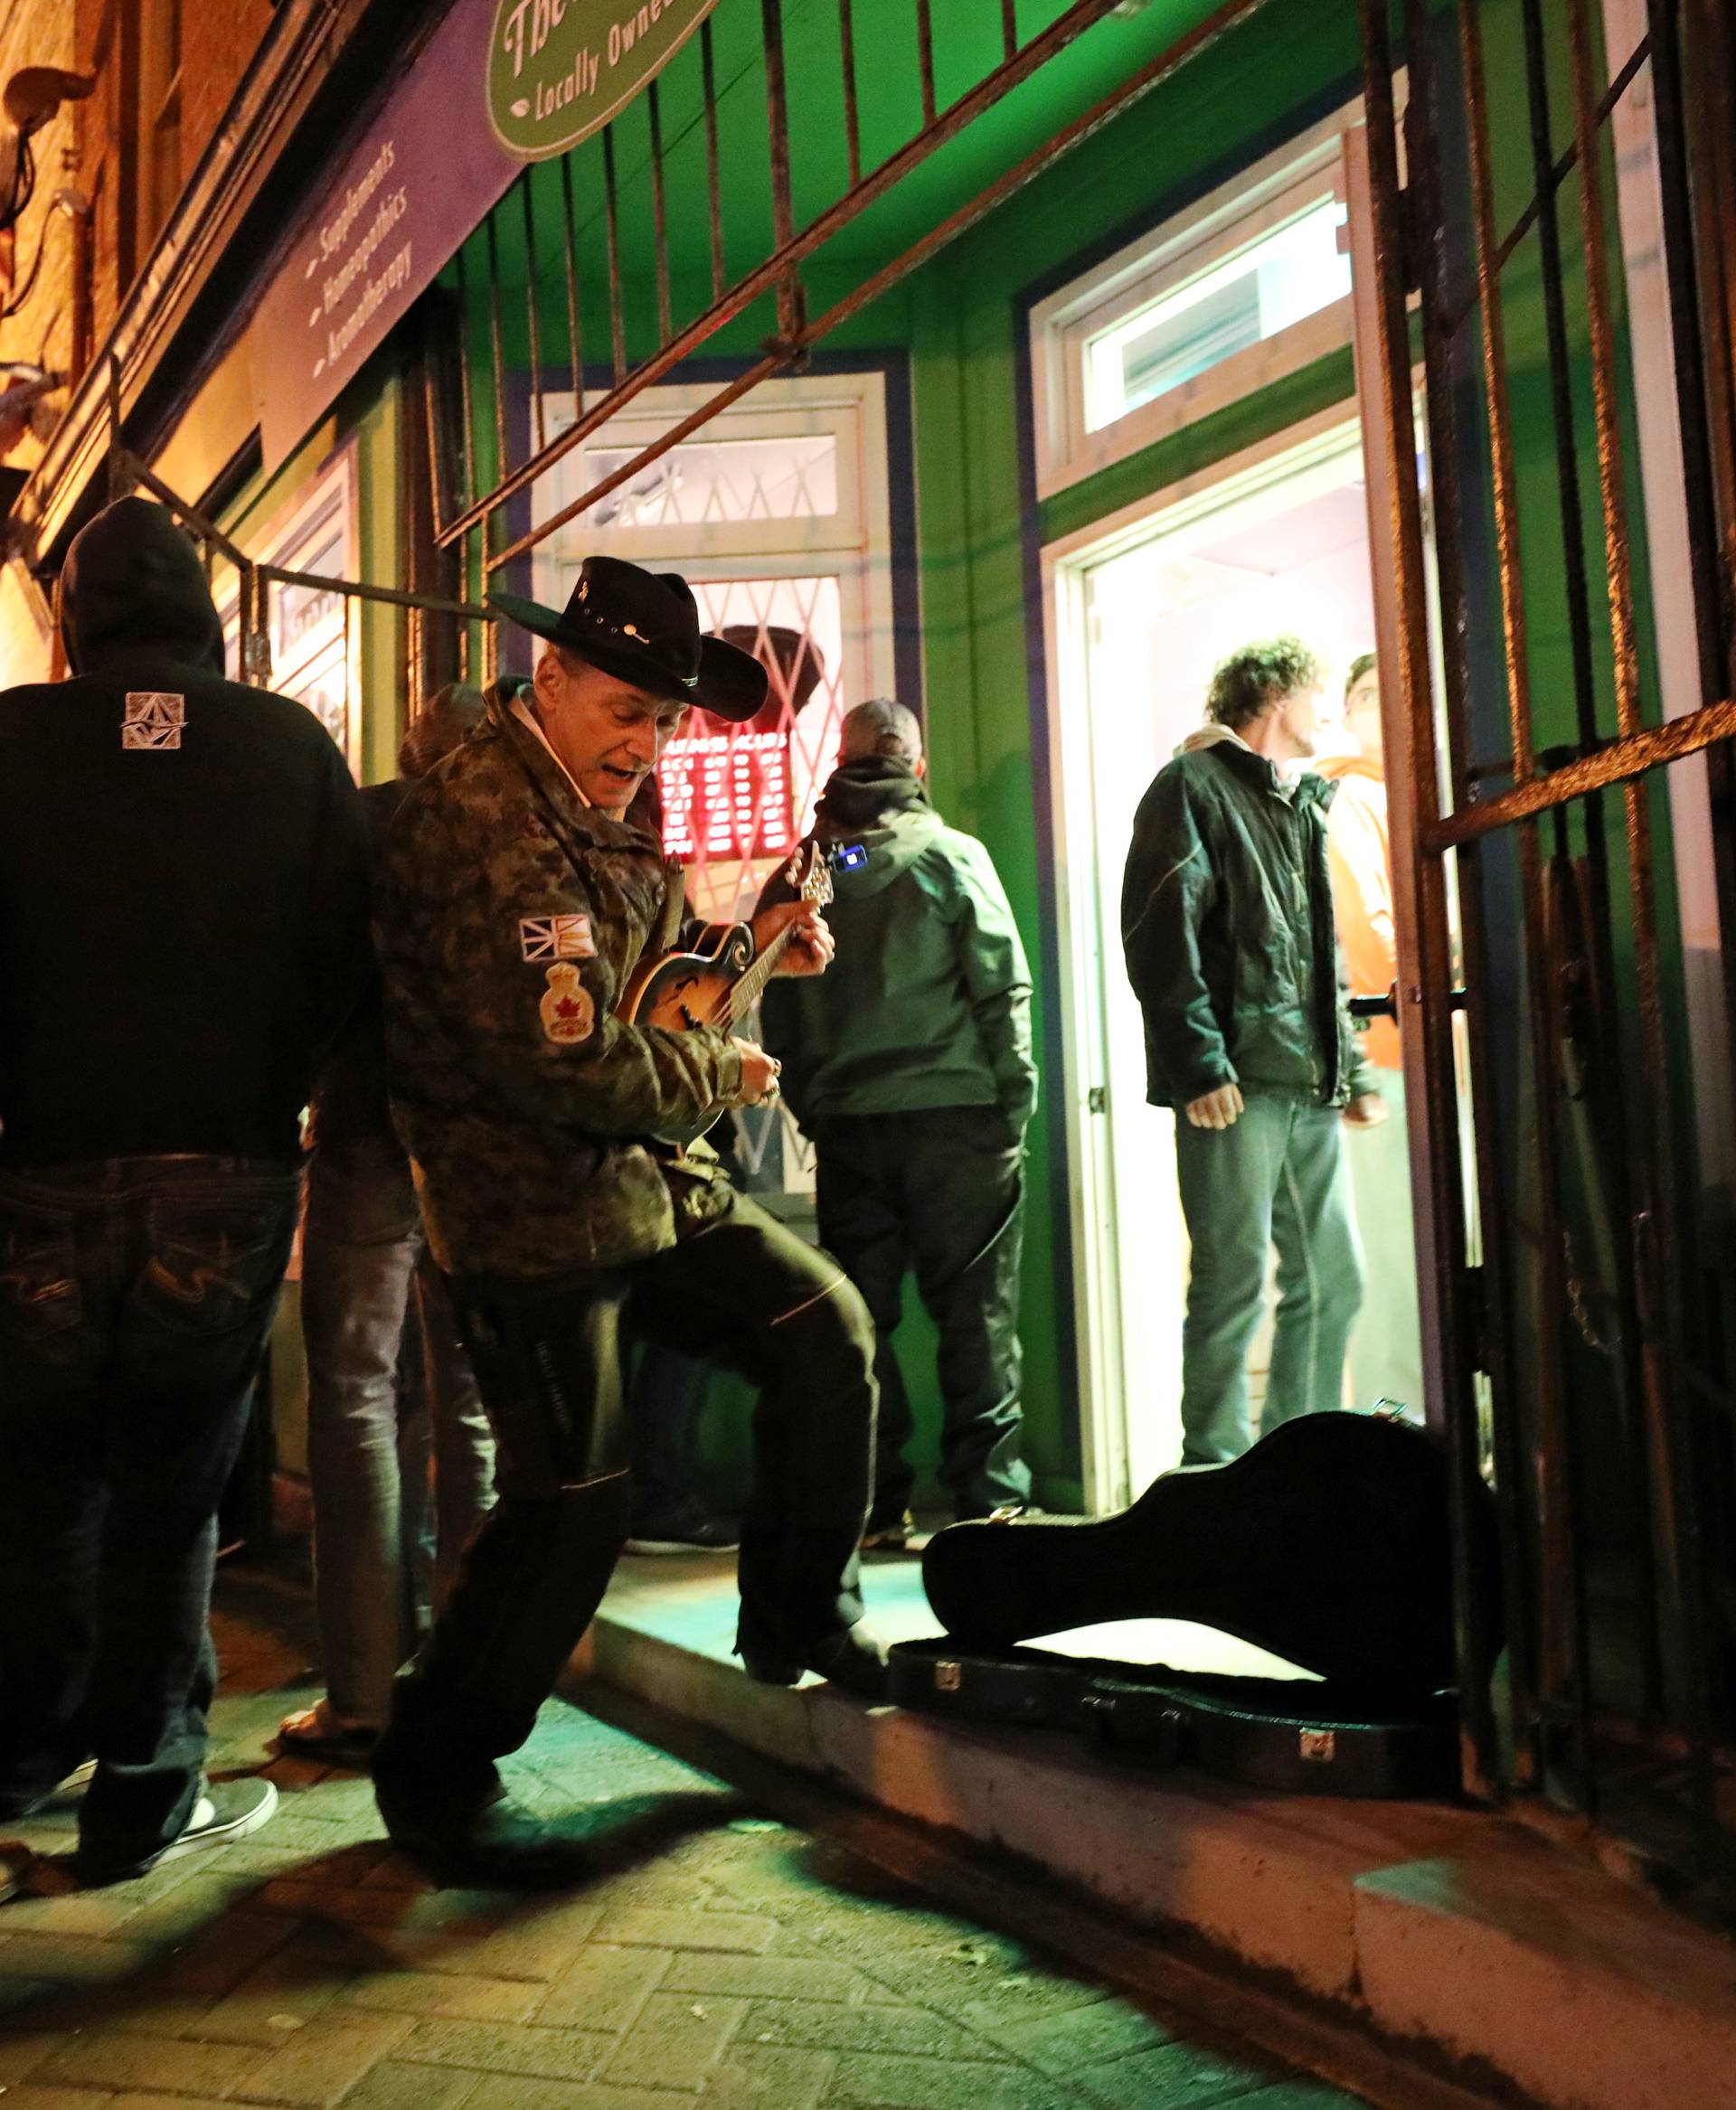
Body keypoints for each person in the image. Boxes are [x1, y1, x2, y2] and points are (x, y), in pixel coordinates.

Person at [370, 555, 882, 1882]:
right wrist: (721, 1065)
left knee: (823, 1328)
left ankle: (795, 1619)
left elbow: (657, 990)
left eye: (662, 721)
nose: (644, 745)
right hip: (528, 1212)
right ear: (549, 681)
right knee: (572, 1506)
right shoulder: (485, 819)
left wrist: (757, 948)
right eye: (621, 712)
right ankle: (434, 1761)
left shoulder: (620, 805)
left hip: (649, 1183)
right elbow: (571, 1060)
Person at [0, 496, 372, 1893]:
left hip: (36, 1168)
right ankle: (147, 1784)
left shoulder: (11, 743)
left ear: (78, 616)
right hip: (222, 1166)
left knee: (37, 1481)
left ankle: (23, 1751)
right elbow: (348, 949)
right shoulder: (284, 745)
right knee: (173, 1485)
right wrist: (262, 1076)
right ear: (204, 601)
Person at [278, 681, 497, 1768]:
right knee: (470, 1404)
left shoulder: (358, 824)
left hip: (364, 1136)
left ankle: (363, 1693)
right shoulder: (511, 834)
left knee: (357, 1397)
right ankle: (472, 1674)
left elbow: (306, 978)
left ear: (411, 747)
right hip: (478, 1156)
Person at [759, 698, 1036, 1548]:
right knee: (977, 1312)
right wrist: (1012, 1105)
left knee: (858, 1324)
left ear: (841, 764)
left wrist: (819, 1109)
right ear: (917, 767)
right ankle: (988, 1501)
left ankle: (876, 1506)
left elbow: (777, 1011)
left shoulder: (803, 875)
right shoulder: (953, 858)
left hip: (849, 1128)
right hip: (959, 1122)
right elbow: (1003, 990)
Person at [1120, 636, 1385, 1467]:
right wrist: (1198, 1065)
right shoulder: (1190, 786)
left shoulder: (1302, 798)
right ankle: (1215, 1473)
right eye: (1320, 696)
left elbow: (1322, 948)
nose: (1330, 714)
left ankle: (1296, 1469)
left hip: (1304, 1080)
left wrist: (1352, 1065)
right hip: (1236, 1082)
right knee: (1233, 1288)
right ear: (1276, 696)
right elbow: (1161, 929)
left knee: (1332, 1282)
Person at [1314, 653, 1423, 1416]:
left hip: (1399, 1046)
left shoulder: (1396, 797)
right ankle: (1404, 1423)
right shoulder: (1355, 797)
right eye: (1363, 695)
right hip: (1394, 1049)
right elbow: (1368, 933)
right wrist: (1431, 1011)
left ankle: (1412, 1418)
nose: (1379, 705)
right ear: (1348, 714)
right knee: (1398, 1259)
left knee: (1406, 1252)